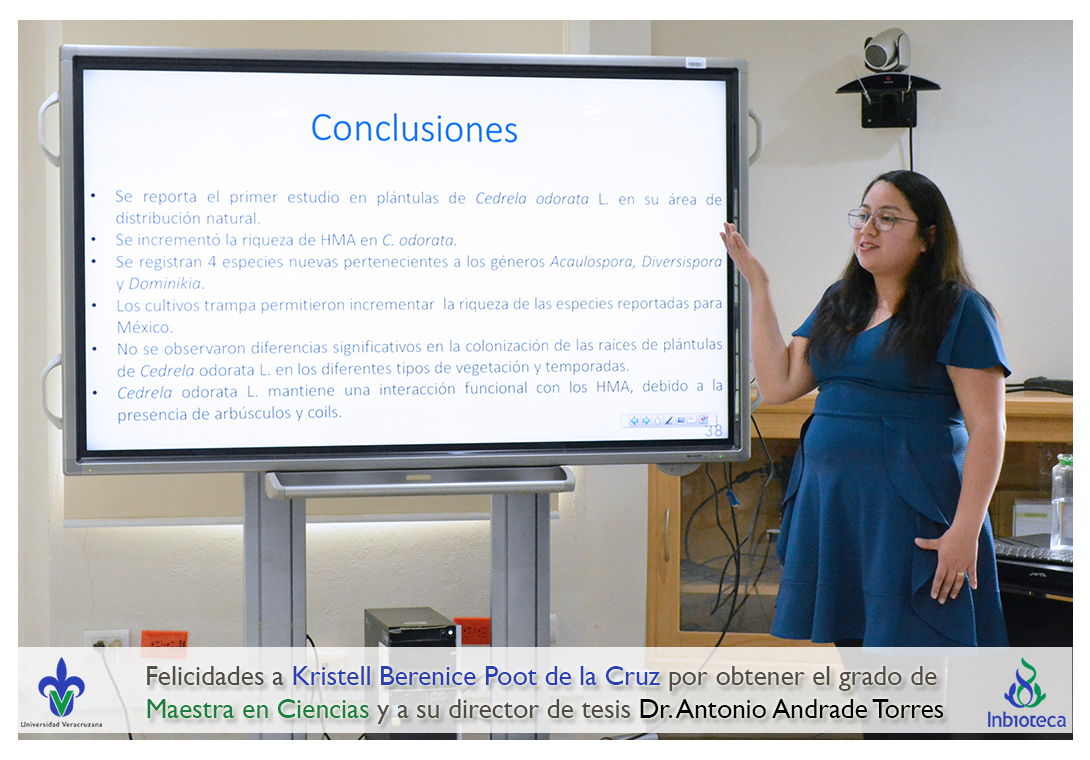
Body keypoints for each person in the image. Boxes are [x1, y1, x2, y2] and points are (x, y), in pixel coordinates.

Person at [721, 170, 1008, 647]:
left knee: (917, 666)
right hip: (835, 511)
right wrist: (759, 285)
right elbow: (778, 384)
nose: (867, 229)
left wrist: (965, 531)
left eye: (888, 218)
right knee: (862, 668)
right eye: (863, 215)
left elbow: (988, 428)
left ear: (928, 238)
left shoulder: (960, 308)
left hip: (910, 512)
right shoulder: (841, 300)